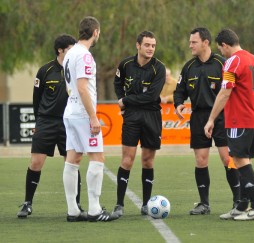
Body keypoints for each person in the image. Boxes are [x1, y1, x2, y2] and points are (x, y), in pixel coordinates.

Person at [173, 27, 240, 215]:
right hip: (198, 117)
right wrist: (178, 104)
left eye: (193, 42)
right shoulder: (188, 67)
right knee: (200, 160)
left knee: (227, 158)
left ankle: (238, 201)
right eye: (190, 42)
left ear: (205, 42)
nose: (190, 45)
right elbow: (179, 91)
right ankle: (204, 204)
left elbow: (232, 90)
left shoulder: (223, 63)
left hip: (222, 116)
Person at [17, 34, 85, 218]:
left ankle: (76, 206)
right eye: (70, 48)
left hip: (69, 123)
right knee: (36, 162)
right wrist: (39, 122)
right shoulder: (45, 70)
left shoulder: (78, 70)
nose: (74, 52)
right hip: (46, 122)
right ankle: (27, 203)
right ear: (60, 50)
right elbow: (36, 99)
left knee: (71, 164)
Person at [204, 28, 254, 221]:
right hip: (253, 117)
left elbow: (224, 93)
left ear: (225, 45)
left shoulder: (233, 61)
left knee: (240, 161)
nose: (221, 53)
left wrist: (211, 119)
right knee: (243, 159)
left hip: (240, 119)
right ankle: (241, 206)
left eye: (220, 49)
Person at [62, 16, 118, 222]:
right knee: (97, 157)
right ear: (95, 32)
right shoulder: (85, 55)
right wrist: (93, 117)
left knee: (73, 159)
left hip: (70, 111)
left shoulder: (69, 54)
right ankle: (94, 210)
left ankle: (73, 210)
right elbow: (83, 87)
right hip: (82, 113)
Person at [112, 31, 166, 217]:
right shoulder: (125, 64)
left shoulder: (159, 68)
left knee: (147, 161)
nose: (150, 48)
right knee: (127, 160)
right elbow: (117, 82)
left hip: (152, 115)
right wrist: (121, 97)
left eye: (153, 45)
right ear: (138, 45)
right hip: (132, 116)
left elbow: (151, 96)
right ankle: (119, 204)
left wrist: (125, 101)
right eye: (147, 45)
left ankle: (146, 204)